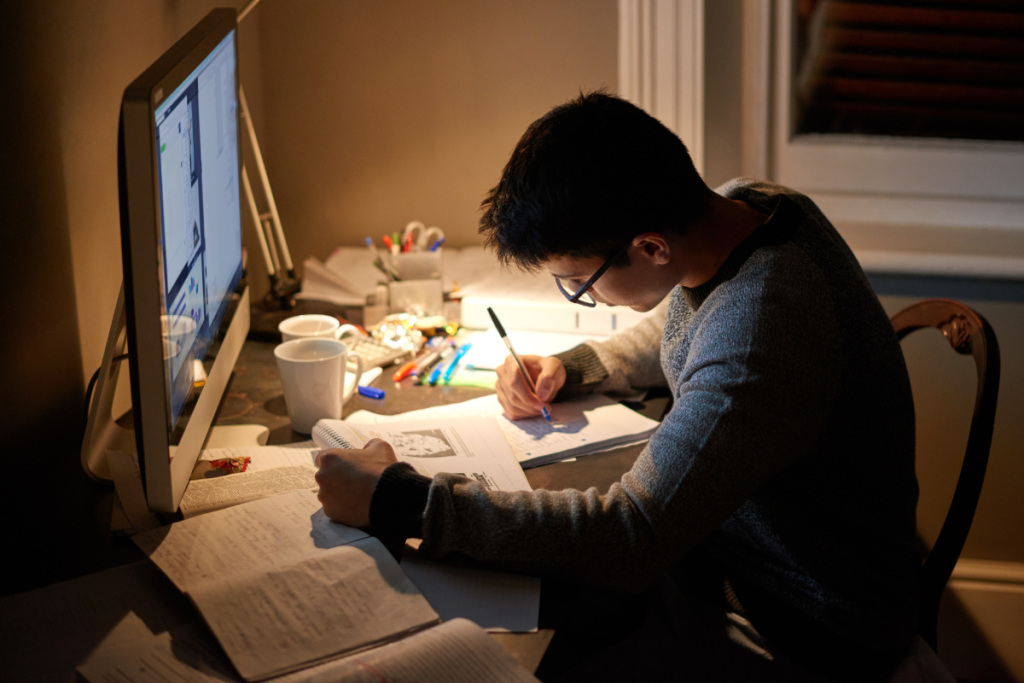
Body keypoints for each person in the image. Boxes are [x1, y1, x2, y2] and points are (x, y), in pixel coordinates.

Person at [315, 91, 920, 682]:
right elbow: (689, 319)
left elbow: (632, 535)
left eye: (578, 282)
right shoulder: (746, 207)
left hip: (798, 622)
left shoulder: (762, 330)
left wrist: (403, 500)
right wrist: (576, 366)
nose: (582, 297)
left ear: (650, 246)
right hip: (733, 557)